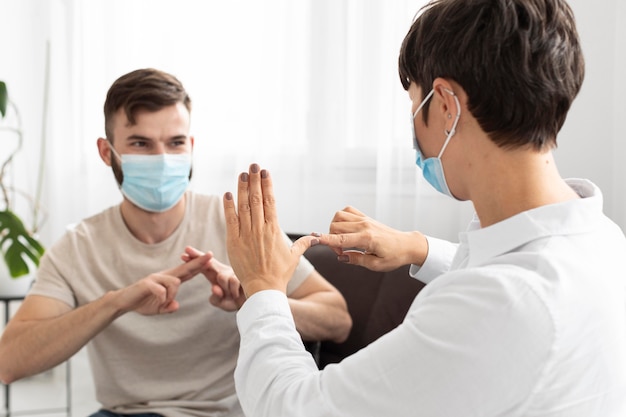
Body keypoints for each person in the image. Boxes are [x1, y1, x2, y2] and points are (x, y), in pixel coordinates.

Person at [222, 0, 626, 416]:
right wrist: (419, 248)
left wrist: (263, 287)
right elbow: (512, 274)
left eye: (415, 105)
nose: (413, 127)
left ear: (448, 106)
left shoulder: (497, 306)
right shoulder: (601, 240)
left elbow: (293, 407)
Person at [0, 68, 352, 417]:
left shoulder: (239, 228)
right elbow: (9, 361)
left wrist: (259, 298)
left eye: (175, 143)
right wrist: (114, 304)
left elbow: (337, 319)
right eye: (140, 143)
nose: (162, 158)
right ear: (107, 152)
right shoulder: (78, 247)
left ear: (191, 147)